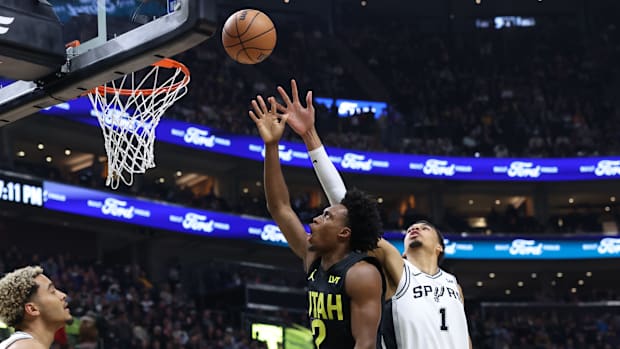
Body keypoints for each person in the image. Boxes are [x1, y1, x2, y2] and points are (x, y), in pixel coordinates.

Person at [274, 79, 472, 349]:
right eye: (412, 227)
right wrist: (310, 137)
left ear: (439, 247)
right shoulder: (399, 270)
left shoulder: (454, 286)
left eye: (425, 227)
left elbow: (464, 337)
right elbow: (347, 208)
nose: (415, 228)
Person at [248, 94, 385, 349]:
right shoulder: (314, 258)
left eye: (326, 216)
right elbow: (279, 207)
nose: (315, 219)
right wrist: (271, 146)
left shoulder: (362, 273)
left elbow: (365, 344)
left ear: (344, 233)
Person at [0, 266, 72, 349]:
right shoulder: (27, 346)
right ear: (32, 309)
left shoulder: (22, 344)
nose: (63, 295)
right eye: (52, 291)